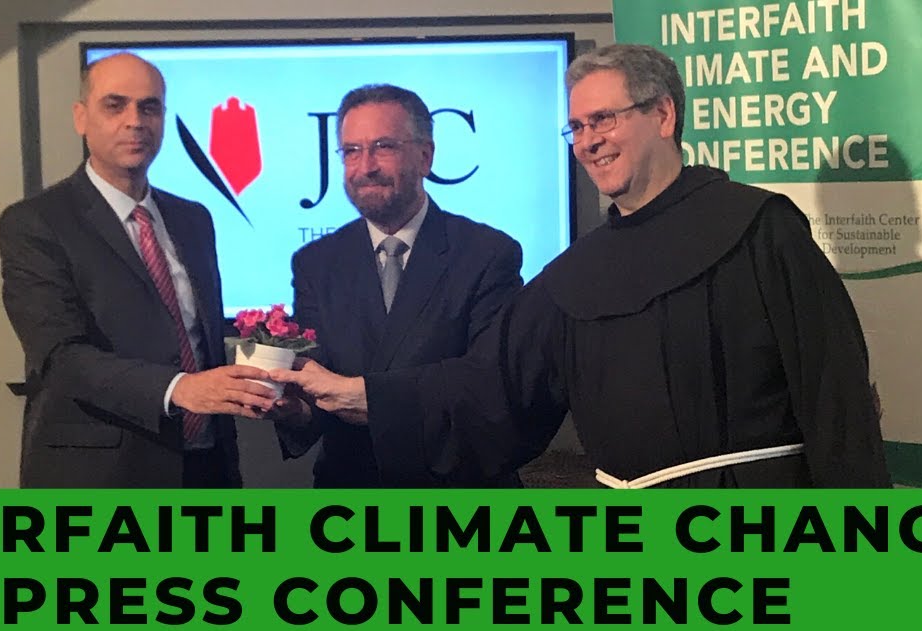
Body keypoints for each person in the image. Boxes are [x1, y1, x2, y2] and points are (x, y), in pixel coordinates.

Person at [272, 45, 890, 489]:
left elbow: (835, 399)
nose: (588, 140)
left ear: (664, 115)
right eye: (575, 126)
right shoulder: (575, 275)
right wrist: (365, 396)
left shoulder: (759, 228)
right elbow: (490, 388)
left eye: (604, 119)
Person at [0, 53, 275, 489]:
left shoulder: (193, 219)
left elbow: (195, 337)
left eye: (150, 107)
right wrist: (178, 388)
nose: (135, 121)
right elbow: (59, 357)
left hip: (206, 466)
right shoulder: (36, 222)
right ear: (81, 117)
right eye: (115, 105)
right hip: (99, 477)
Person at [268, 84, 523, 488]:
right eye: (351, 151)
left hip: (457, 496)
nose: (365, 166)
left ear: (425, 156)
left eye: (383, 147)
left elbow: (487, 387)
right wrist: (292, 409)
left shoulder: (487, 254)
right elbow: (319, 390)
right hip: (351, 499)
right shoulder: (316, 263)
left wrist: (369, 399)